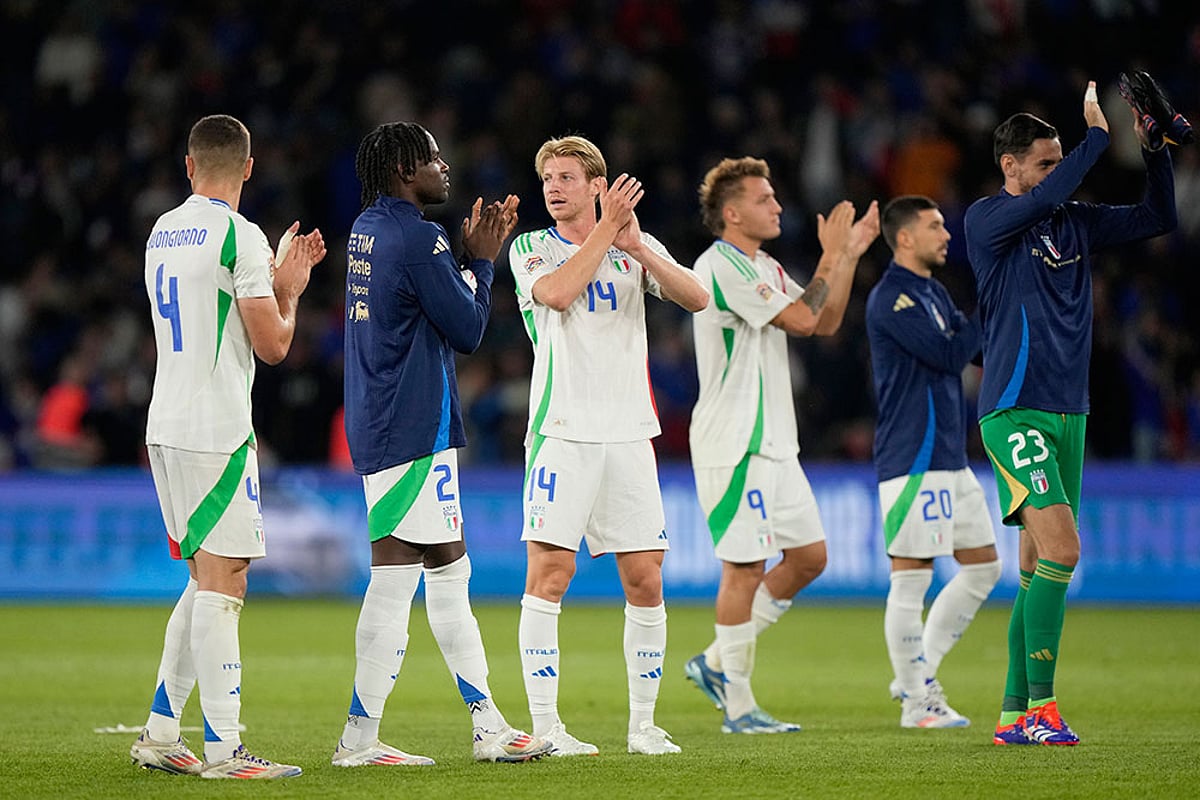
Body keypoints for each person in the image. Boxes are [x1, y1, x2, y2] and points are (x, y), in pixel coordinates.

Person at [965, 82, 1177, 746]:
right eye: (1047, 163)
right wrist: (1095, 141)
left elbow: (1158, 218)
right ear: (1012, 168)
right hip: (1014, 409)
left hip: (1071, 413)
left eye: (1064, 162)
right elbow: (1050, 196)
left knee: (1034, 570)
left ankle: (1010, 715)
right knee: (1064, 550)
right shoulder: (985, 220)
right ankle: (1042, 710)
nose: (1059, 176)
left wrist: (1155, 151)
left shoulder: (1075, 223)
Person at [335, 121, 550, 766]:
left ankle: (467, 726)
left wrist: (457, 261)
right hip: (413, 425)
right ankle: (380, 737)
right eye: (431, 157)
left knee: (430, 573)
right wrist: (481, 260)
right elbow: (466, 327)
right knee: (417, 578)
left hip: (381, 416)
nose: (443, 165)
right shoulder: (417, 234)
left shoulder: (366, 229)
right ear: (405, 168)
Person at [131, 114, 326, 779]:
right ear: (248, 167)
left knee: (203, 577)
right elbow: (273, 346)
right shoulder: (241, 236)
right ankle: (224, 749)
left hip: (166, 423)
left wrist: (268, 288)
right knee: (228, 579)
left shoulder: (162, 230)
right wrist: (290, 291)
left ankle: (161, 732)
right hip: (215, 428)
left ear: (188, 166)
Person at [510, 135, 710, 756]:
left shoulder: (630, 248)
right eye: (548, 176)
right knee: (551, 573)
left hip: (628, 432)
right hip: (561, 430)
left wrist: (640, 249)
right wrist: (609, 234)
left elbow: (698, 298)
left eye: (568, 176)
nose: (553, 187)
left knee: (646, 578)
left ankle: (643, 725)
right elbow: (560, 294)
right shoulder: (529, 248)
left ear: (597, 185)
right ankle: (547, 728)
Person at [684, 156, 879, 733]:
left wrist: (845, 256)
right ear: (733, 212)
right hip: (734, 440)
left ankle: (717, 661)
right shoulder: (718, 266)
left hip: (774, 441)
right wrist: (831, 255)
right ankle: (739, 707)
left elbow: (823, 322)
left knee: (809, 557)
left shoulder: (762, 264)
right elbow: (799, 319)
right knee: (743, 569)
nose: (777, 205)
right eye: (764, 198)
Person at [865, 195, 1001, 729]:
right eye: (935, 226)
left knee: (984, 566)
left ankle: (916, 673)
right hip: (913, 456)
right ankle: (918, 704)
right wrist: (991, 301)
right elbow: (950, 355)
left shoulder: (934, 292)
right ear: (904, 238)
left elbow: (972, 349)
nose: (947, 234)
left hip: (949, 455)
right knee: (912, 576)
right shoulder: (893, 299)